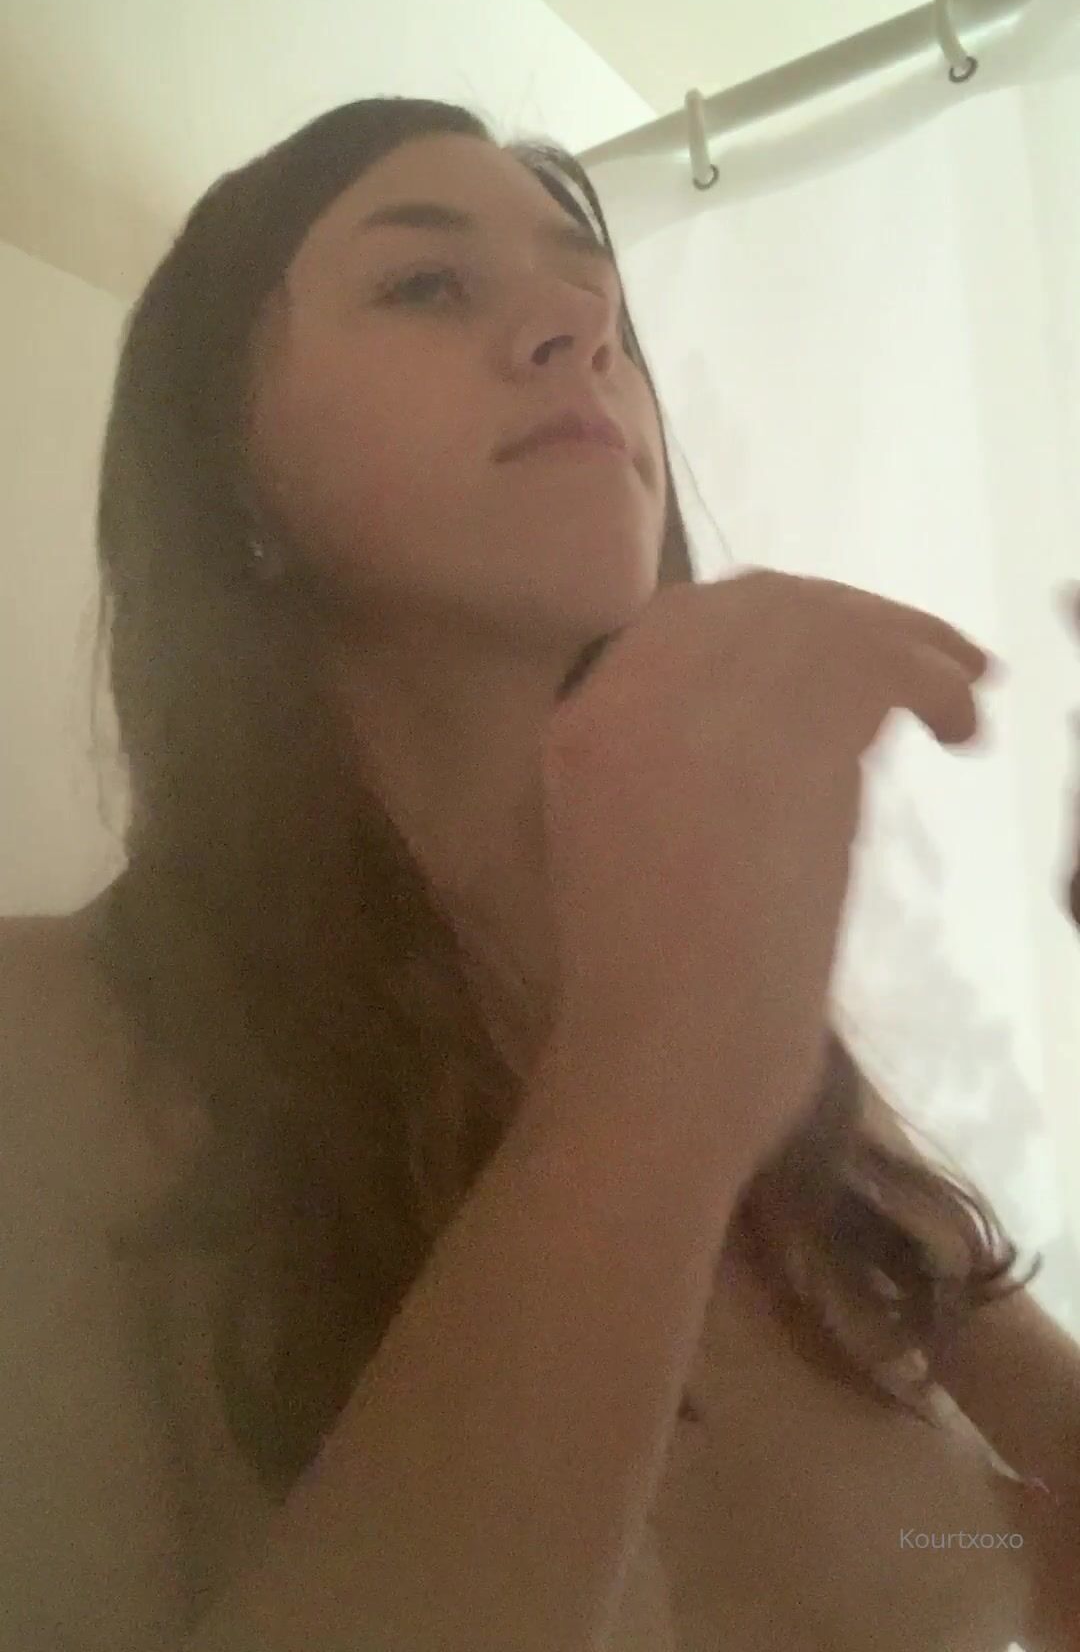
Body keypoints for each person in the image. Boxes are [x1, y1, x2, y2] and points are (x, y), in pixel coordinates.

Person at [2, 98, 1078, 1652]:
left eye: (599, 298)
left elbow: (1031, 1521)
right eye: (426, 283)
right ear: (225, 472)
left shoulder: (781, 1061)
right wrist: (651, 1088)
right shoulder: (45, 1043)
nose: (583, 328)